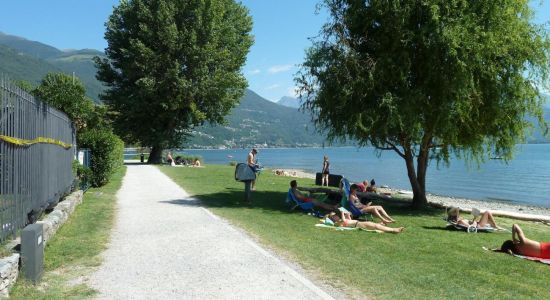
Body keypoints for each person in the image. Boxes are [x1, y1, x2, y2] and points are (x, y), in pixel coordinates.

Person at [326, 209, 404, 234]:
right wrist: (343, 214)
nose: (336, 215)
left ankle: (389, 227)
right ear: (332, 218)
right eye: (334, 215)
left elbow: (348, 221)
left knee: (375, 225)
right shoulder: (337, 223)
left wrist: (348, 215)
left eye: (336, 214)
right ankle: (394, 230)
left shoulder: (339, 221)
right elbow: (344, 222)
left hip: (358, 223)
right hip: (358, 224)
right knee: (376, 226)